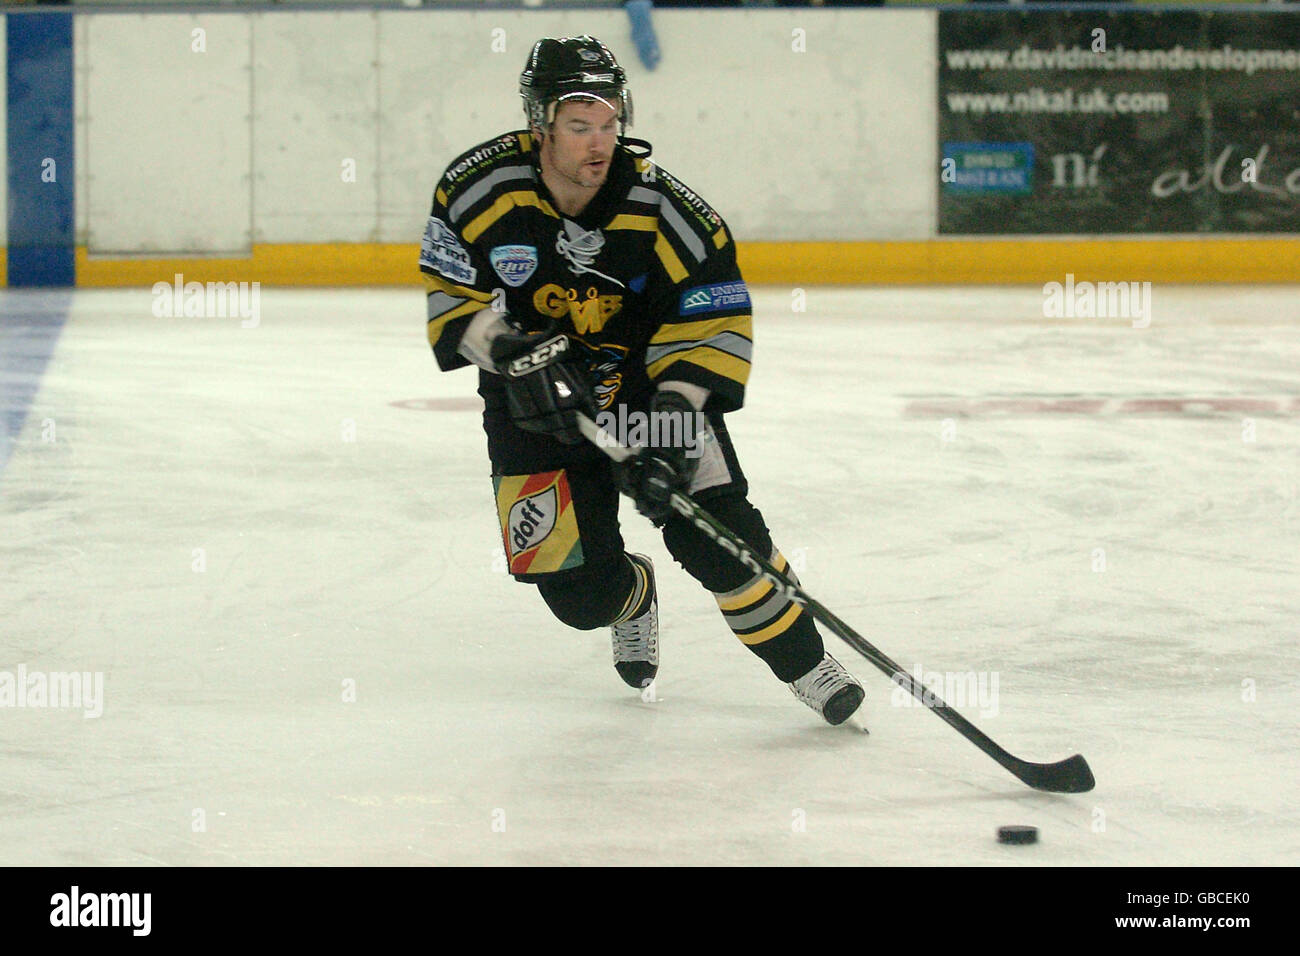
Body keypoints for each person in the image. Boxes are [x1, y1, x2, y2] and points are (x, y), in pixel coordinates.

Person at [420, 35, 864, 725]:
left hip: (646, 392)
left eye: (608, 123)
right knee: (578, 597)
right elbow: (453, 300)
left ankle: (808, 662)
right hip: (530, 404)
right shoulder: (477, 189)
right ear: (540, 123)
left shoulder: (666, 209)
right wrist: (510, 353)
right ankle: (632, 594)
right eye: (578, 127)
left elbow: (711, 321)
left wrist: (676, 420)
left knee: (718, 537)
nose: (599, 143)